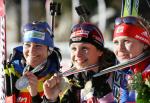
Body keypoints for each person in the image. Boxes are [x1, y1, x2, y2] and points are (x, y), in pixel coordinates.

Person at [42, 22, 116, 103]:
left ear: (100, 51)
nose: (77, 55)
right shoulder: (66, 83)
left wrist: (104, 95)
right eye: (74, 49)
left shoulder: (116, 78)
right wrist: (51, 100)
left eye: (84, 48)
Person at [5, 21, 62, 103]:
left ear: (49, 50)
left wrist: (35, 95)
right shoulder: (11, 74)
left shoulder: (55, 81)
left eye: (38, 46)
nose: (31, 51)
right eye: (27, 44)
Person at [112, 16, 150, 103]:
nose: (120, 48)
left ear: (145, 44)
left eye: (126, 41)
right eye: (116, 42)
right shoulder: (126, 72)